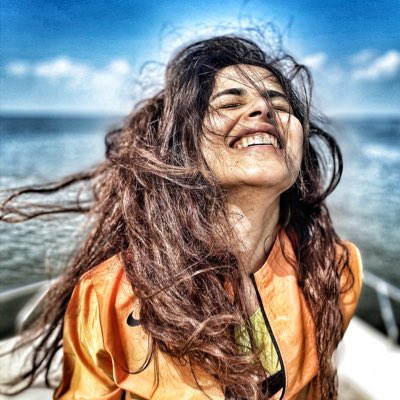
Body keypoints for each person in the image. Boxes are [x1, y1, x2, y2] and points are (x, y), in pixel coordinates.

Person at [0, 34, 362, 399]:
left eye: (279, 104)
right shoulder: (109, 296)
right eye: (229, 102)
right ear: (185, 147)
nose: (262, 109)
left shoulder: (333, 269)